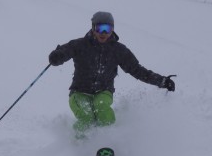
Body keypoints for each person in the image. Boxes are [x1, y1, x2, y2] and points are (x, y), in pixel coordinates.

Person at [48, 11, 176, 136]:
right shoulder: (80, 45)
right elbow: (64, 52)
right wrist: (56, 56)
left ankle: (106, 143)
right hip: (79, 92)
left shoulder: (118, 50)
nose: (103, 33)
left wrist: (161, 81)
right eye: (99, 28)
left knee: (103, 109)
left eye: (107, 29)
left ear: (112, 29)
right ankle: (79, 147)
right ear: (93, 28)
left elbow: (137, 70)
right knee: (87, 117)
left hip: (104, 91)